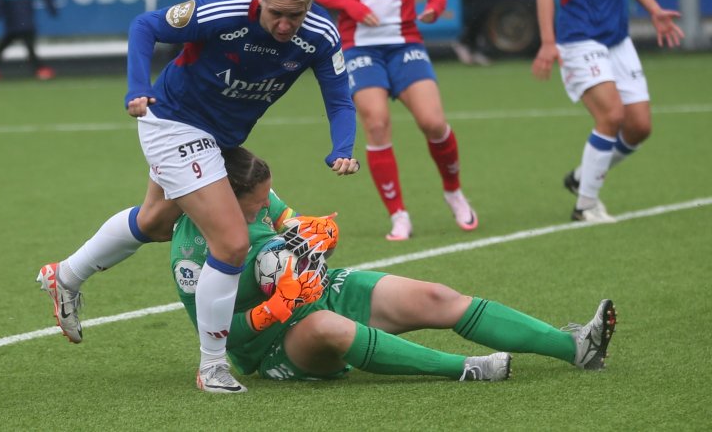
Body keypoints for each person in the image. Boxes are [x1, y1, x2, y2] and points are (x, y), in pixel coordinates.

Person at [36, 0, 359, 393]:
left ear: (310, 5)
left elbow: (339, 99)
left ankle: (66, 275)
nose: (285, 25)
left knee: (155, 221)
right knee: (231, 242)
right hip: (172, 122)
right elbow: (145, 26)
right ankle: (212, 367)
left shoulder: (320, 35)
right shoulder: (222, 12)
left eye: (295, 15)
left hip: (219, 137)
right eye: (277, 14)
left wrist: (343, 148)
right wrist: (138, 87)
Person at [171, 146, 618, 385]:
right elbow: (222, 334)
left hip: (325, 291)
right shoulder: (190, 255)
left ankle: (577, 347)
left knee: (437, 297)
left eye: (262, 202)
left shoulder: (257, 194)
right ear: (220, 199)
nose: (259, 212)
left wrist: (318, 234)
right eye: (251, 209)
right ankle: (464, 368)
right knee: (328, 327)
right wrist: (275, 309)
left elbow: (292, 228)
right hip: (274, 341)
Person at [313, 0, 477, 241]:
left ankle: (454, 191)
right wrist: (353, 7)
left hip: (405, 43)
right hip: (359, 45)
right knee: (376, 122)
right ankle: (398, 215)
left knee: (433, 122)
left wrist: (433, 7)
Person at [531, 0, 683, 223]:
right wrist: (547, 42)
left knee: (640, 126)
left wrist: (655, 10)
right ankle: (585, 206)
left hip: (617, 38)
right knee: (611, 115)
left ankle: (582, 176)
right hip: (579, 37)